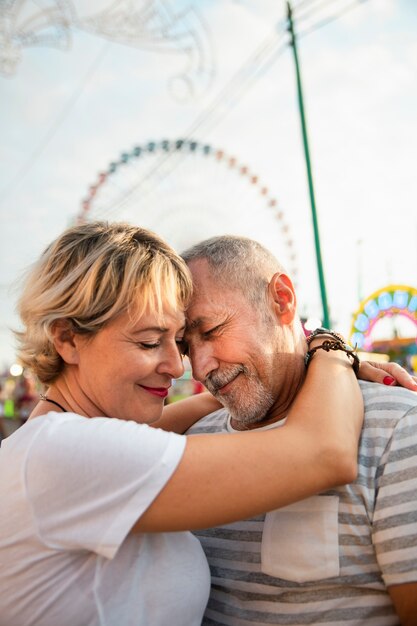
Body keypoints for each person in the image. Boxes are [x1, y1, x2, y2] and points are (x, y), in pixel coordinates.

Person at [0, 220, 367, 626]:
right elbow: (325, 452)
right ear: (67, 339)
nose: (177, 367)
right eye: (147, 342)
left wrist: (282, 370)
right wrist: (330, 350)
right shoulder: (65, 456)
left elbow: (162, 428)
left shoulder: (49, 445)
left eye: (177, 344)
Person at [181, 235, 417, 626]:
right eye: (186, 347)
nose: (201, 366)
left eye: (211, 331)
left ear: (282, 299)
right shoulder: (187, 445)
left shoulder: (397, 427)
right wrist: (328, 351)